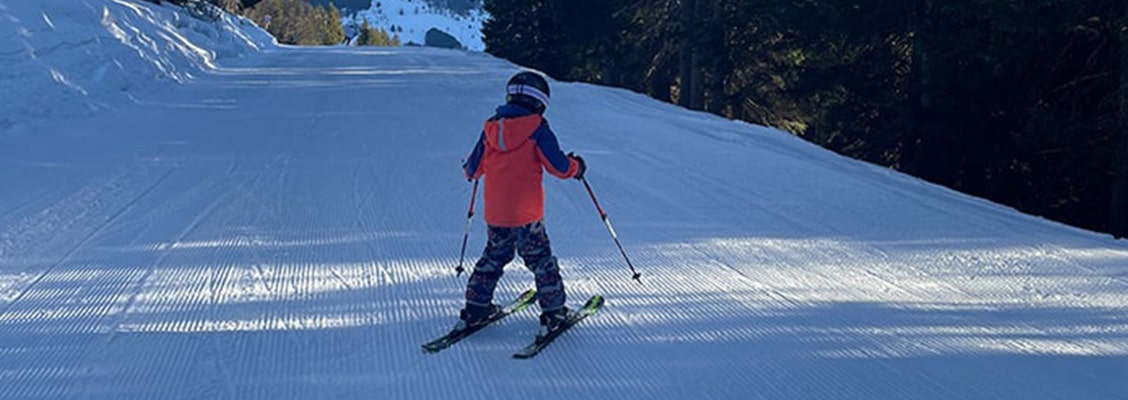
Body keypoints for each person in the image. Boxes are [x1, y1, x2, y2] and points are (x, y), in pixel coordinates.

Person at [458, 70, 587, 338]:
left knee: (494, 256)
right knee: (540, 260)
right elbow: (559, 166)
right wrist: (577, 167)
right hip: (527, 214)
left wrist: (470, 170)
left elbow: (472, 168)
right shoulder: (538, 128)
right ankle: (554, 313)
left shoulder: (491, 128)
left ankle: (475, 309)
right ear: (540, 101)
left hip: (496, 213)